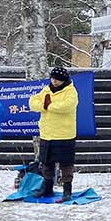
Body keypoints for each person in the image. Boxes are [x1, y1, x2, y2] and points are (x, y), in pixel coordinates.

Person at [29, 67, 78, 201]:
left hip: (64, 134)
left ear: (63, 80)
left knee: (66, 164)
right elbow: (33, 102)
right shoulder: (46, 90)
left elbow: (67, 106)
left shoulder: (71, 91)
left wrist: (49, 106)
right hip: (47, 133)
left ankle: (67, 189)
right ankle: (47, 187)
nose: (54, 81)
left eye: (57, 79)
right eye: (52, 78)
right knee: (46, 163)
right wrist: (43, 106)